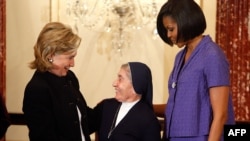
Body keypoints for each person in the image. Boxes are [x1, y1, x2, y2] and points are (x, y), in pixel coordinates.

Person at [156, 0, 235, 141]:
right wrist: (144, 107)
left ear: (186, 22)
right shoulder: (180, 57)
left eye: (171, 29)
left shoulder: (212, 55)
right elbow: (178, 105)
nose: (168, 35)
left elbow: (221, 114)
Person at [22, 22, 95, 141]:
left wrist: (111, 105)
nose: (73, 64)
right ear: (50, 56)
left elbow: (82, 123)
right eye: (70, 57)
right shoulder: (37, 89)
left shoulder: (70, 78)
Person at [93, 62, 161, 141]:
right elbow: (81, 123)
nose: (114, 83)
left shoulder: (148, 121)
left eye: (120, 79)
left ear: (136, 86)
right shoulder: (106, 106)